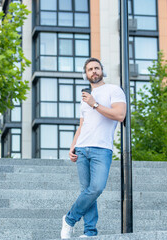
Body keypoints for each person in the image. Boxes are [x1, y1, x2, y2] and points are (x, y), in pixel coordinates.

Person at [61, 58, 126, 239]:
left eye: (96, 68)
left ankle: (69, 219)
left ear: (102, 70)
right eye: (90, 69)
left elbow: (120, 115)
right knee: (87, 191)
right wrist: (73, 146)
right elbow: (82, 125)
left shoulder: (113, 90)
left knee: (96, 188)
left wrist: (94, 104)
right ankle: (89, 232)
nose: (94, 71)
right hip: (82, 148)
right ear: (86, 74)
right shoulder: (85, 98)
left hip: (102, 148)